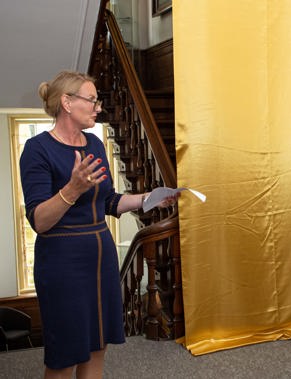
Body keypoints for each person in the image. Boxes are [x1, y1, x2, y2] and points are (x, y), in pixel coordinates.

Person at [20, 70, 177, 379]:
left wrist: (149, 198)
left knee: (97, 346)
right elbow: (40, 221)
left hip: (100, 258)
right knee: (65, 354)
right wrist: (72, 189)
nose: (99, 107)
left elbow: (107, 202)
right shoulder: (37, 150)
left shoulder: (94, 144)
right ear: (67, 103)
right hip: (62, 263)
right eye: (91, 100)